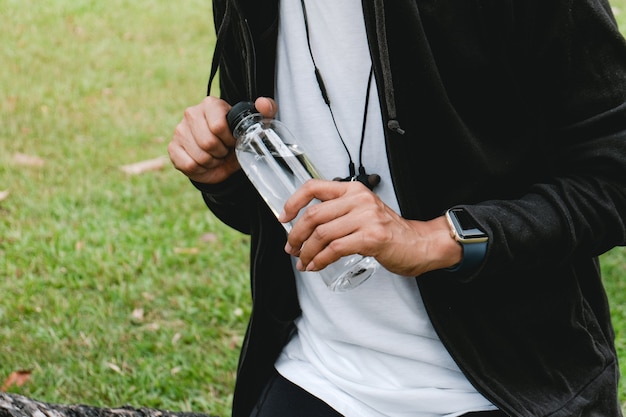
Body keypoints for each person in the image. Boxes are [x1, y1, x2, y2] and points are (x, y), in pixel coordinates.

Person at [168, 0, 626, 416]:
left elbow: (613, 173)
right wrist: (225, 175)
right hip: (312, 374)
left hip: (511, 390)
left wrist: (437, 239)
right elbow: (270, 222)